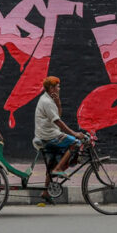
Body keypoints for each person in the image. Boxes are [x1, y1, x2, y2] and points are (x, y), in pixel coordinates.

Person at [34, 76, 86, 204]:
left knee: (51, 162)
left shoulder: (50, 99)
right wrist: (74, 134)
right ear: (51, 88)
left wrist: (58, 104)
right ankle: (58, 169)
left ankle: (46, 192)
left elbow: (58, 115)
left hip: (48, 133)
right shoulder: (46, 101)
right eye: (57, 86)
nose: (59, 88)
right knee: (76, 143)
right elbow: (58, 122)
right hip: (49, 135)